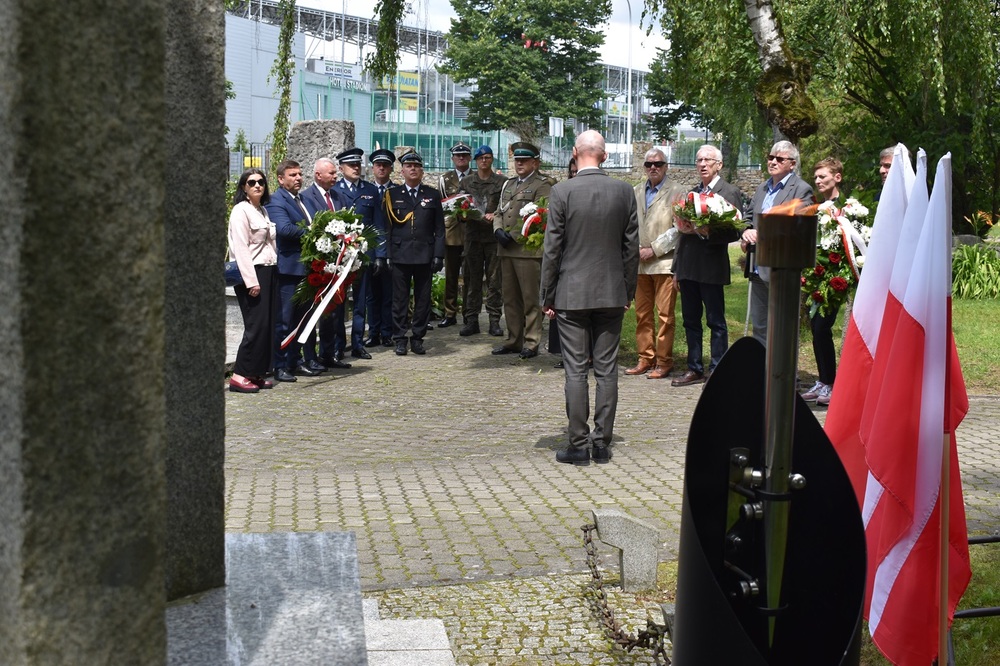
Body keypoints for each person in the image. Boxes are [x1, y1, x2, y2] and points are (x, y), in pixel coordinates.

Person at [541, 130, 639, 465]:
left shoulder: (562, 191)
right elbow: (631, 249)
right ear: (605, 156)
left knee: (576, 370)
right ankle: (602, 444)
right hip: (612, 291)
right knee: (607, 369)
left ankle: (578, 445)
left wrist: (547, 294)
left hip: (571, 293)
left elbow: (552, 248)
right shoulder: (624, 191)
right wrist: (628, 290)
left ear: (574, 153)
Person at [671, 144, 744, 387]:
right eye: (699, 160)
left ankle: (717, 368)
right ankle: (694, 368)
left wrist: (706, 232)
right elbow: (681, 234)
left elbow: (736, 232)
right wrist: (676, 270)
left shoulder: (729, 192)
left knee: (715, 321)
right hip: (689, 267)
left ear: (719, 165)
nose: (702, 164)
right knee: (690, 320)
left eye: (707, 160)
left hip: (711, 267)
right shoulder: (692, 193)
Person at [741, 140, 815, 346]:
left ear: (792, 164)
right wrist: (746, 232)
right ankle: (761, 370)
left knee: (782, 323)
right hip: (756, 266)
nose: (773, 161)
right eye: (770, 157)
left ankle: (782, 374)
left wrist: (762, 234)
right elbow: (748, 217)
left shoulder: (802, 190)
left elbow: (797, 227)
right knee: (760, 323)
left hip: (781, 268)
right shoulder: (762, 188)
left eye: (779, 159)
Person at [625, 148, 686, 380]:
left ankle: (664, 361)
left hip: (663, 263)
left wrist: (654, 249)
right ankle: (645, 358)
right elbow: (629, 225)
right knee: (641, 314)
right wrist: (635, 250)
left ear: (666, 166)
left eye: (658, 164)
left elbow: (679, 227)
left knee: (665, 316)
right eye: (649, 164)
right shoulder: (635, 191)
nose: (653, 168)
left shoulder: (678, 191)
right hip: (639, 263)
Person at [267, 159, 326, 382]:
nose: (298, 178)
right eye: (292, 175)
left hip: (306, 268)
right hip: (288, 269)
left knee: (301, 319)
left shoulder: (302, 200)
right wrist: (315, 232)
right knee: (285, 321)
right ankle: (279, 365)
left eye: (300, 174)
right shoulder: (276, 200)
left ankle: (294, 361)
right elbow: (285, 229)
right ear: (281, 179)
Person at [492, 142, 553, 359]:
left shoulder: (542, 185)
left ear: (535, 162)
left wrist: (514, 236)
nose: (519, 164)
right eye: (517, 160)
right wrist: (498, 230)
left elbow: (540, 216)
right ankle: (513, 339)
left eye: (524, 160)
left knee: (530, 298)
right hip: (505, 249)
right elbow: (499, 211)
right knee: (509, 298)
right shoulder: (508, 184)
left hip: (527, 251)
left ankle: (531, 341)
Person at [326, 147, 385, 363]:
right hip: (340, 257)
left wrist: (380, 254)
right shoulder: (335, 190)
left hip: (363, 255)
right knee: (339, 302)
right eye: (351, 165)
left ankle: (358, 343)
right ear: (341, 168)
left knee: (361, 302)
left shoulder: (371, 190)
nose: (356, 168)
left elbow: (378, 226)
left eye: (358, 164)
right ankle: (339, 346)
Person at [384, 151, 445, 355]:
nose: (412, 169)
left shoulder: (432, 194)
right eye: (408, 166)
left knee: (423, 299)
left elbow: (439, 229)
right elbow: (388, 228)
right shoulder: (392, 195)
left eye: (416, 166)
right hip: (400, 254)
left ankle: (417, 337)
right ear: (402, 171)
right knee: (399, 299)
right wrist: (387, 255)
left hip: (424, 255)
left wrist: (438, 255)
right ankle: (400, 338)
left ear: (422, 171)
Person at [228, 168, 278, 393]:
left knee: (266, 325)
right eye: (252, 182)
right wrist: (251, 281)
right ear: (244, 188)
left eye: (261, 182)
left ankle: (255, 372)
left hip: (268, 271)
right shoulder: (241, 211)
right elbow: (240, 248)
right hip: (252, 273)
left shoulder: (262, 211)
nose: (258, 185)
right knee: (255, 326)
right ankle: (239, 375)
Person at [802, 157, 845, 406]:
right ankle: (824, 380)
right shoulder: (816, 206)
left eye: (823, 177)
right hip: (815, 276)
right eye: (816, 177)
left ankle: (831, 383)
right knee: (816, 329)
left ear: (837, 177)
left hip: (835, 277)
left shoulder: (846, 206)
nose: (818, 181)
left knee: (821, 328)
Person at [458, 145, 507, 337]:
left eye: (487, 157)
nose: (484, 161)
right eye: (480, 158)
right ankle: (472, 320)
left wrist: (494, 215)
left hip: (493, 238)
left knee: (495, 281)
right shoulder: (467, 182)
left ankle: (494, 320)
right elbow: (458, 207)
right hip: (472, 237)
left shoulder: (502, 182)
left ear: (492, 159)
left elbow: (507, 206)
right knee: (471, 280)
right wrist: (464, 214)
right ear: (475, 161)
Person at [437, 142, 473, 328]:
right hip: (451, 232)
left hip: (471, 232)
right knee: (450, 276)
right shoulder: (445, 179)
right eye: (458, 155)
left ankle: (469, 313)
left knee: (470, 276)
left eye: (465, 155)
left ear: (469, 158)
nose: (461, 158)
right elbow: (442, 205)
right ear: (453, 158)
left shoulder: (476, 178)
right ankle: (450, 313)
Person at [366, 148, 397, 348]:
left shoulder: (398, 192)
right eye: (378, 165)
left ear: (391, 168)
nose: (382, 168)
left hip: (393, 250)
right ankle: (373, 332)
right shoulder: (366, 191)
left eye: (385, 165)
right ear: (373, 168)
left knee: (390, 295)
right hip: (370, 251)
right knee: (371, 295)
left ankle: (387, 332)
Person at [549, 157, 577, 368]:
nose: (575, 175)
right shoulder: (561, 192)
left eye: (578, 170)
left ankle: (587, 355)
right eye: (572, 172)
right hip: (564, 259)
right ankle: (568, 354)